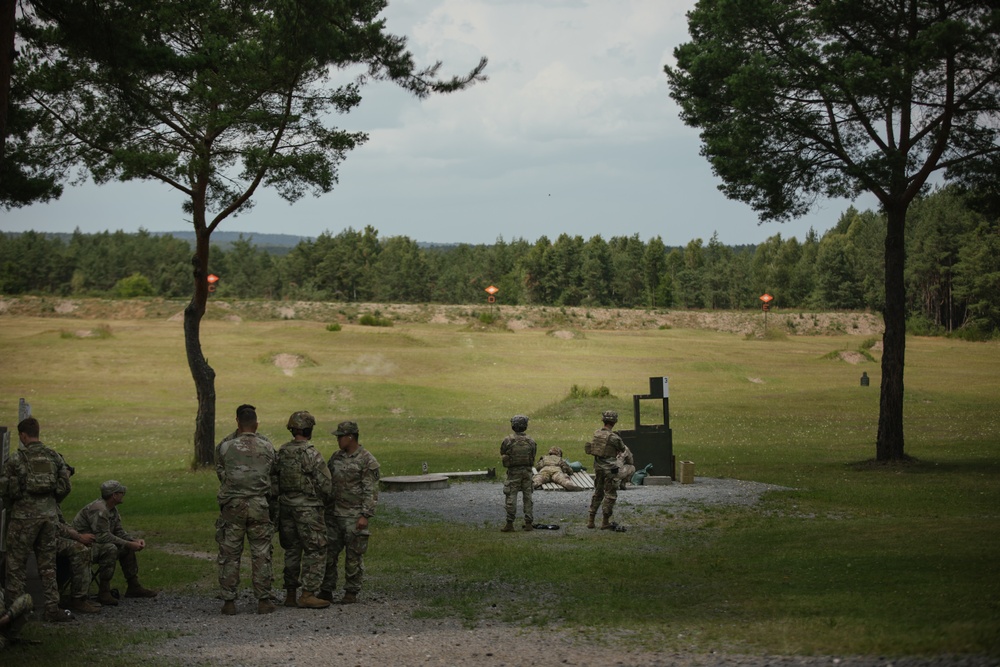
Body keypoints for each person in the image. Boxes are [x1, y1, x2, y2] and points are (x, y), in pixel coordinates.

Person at [0, 417, 74, 623]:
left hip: (23, 518)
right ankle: (52, 609)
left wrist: (16, 505)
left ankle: (16, 612)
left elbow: (5, 489)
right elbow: (65, 486)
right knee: (48, 564)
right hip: (49, 517)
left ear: (23, 435)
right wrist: (51, 501)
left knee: (15, 565)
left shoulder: (16, 459)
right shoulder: (53, 457)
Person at [215, 404, 279, 615]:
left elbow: (222, 473)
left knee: (230, 553)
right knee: (261, 553)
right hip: (259, 505)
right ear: (256, 424)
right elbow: (273, 474)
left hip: (233, 506)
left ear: (237, 423)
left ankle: (229, 602)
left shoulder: (225, 447)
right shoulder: (267, 446)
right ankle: (263, 600)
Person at [277, 410, 333, 609]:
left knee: (292, 549)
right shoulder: (310, 453)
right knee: (316, 548)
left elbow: (274, 480)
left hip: (286, 507)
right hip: (308, 509)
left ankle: (290, 594)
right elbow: (326, 483)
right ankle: (308, 593)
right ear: (309, 430)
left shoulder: (282, 452)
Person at [320, 421, 379, 604]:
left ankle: (351, 592)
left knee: (353, 556)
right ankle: (326, 589)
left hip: (354, 516)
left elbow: (371, 490)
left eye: (340, 436)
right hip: (334, 514)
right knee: (329, 553)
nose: (338, 440)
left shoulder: (367, 460)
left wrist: (365, 515)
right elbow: (328, 481)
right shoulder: (336, 457)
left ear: (351, 437)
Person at [72, 480, 158, 605]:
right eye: (121, 492)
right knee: (110, 548)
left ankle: (134, 585)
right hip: (83, 546)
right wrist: (128, 543)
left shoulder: (112, 510)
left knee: (125, 547)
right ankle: (104, 592)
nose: (123, 494)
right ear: (114, 495)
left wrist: (134, 541)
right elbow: (102, 537)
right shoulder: (99, 509)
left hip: (97, 543)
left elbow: (118, 531)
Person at [56, 507, 102, 614]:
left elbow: (61, 522)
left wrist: (76, 535)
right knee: (80, 550)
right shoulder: (40, 502)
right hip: (44, 538)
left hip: (55, 536)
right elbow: (53, 526)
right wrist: (79, 536)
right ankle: (78, 598)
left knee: (85, 547)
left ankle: (82, 597)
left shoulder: (52, 502)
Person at [585, 410, 627, 530]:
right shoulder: (614, 437)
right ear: (614, 422)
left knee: (598, 493)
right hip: (610, 469)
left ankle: (591, 520)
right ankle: (605, 522)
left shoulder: (596, 433)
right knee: (610, 495)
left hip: (598, 468)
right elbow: (622, 449)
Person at [499, 414, 537, 532]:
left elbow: (503, 452)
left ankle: (510, 524)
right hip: (527, 472)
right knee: (528, 497)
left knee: (511, 496)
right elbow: (533, 455)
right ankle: (529, 523)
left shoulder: (508, 440)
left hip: (513, 472)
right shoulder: (531, 441)